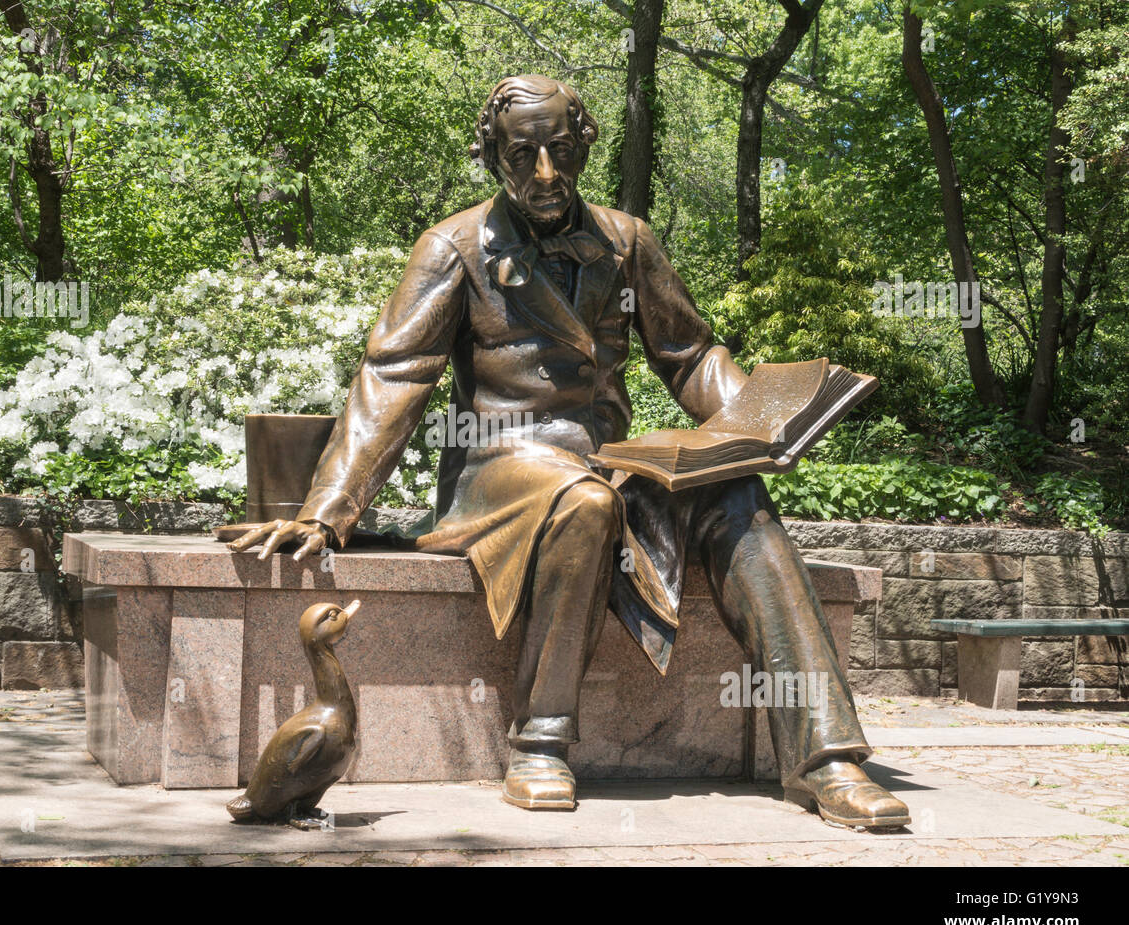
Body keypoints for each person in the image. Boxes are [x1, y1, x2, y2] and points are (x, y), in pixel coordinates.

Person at [231, 74, 910, 830]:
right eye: (523, 155)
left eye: (559, 150)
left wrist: (759, 419)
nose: (545, 173)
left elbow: (687, 356)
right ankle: (541, 741)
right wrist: (330, 510)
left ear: (583, 145)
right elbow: (395, 376)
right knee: (585, 503)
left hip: (609, 454)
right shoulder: (454, 247)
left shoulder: (626, 240)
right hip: (500, 463)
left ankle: (827, 760)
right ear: (493, 156)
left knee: (739, 497)